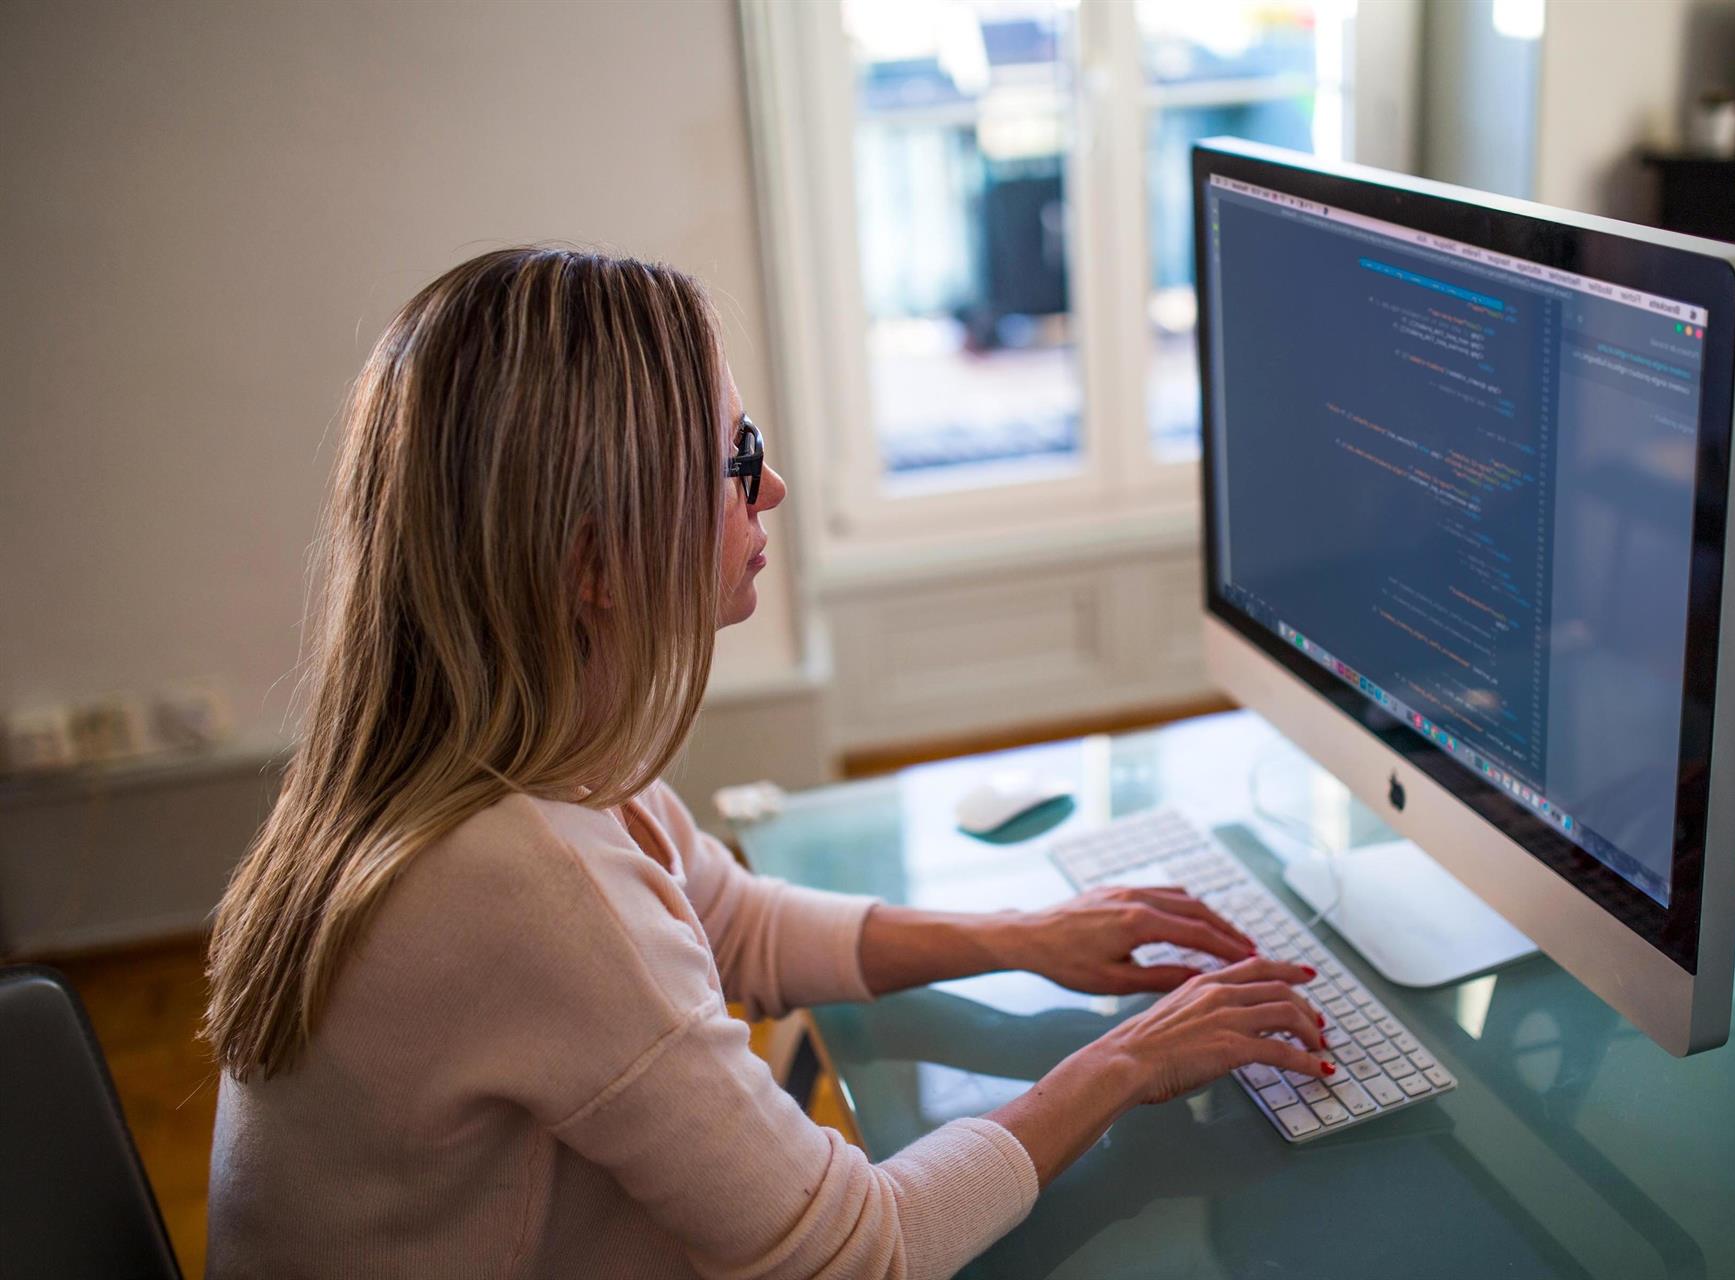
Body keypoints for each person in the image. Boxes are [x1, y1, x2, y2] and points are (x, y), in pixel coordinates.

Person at [202, 248, 1333, 1279]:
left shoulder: (495, 746)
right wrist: (1131, 1061)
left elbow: (733, 923)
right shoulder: (514, 878)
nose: (773, 489)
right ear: (595, 562)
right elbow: (861, 1251)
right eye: (738, 459)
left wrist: (1021, 938)